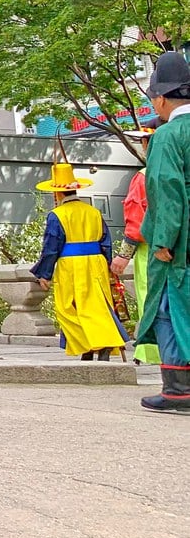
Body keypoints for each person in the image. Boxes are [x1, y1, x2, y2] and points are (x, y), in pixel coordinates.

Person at [135, 52, 190, 411]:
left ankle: (178, 389)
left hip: (182, 242)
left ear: (161, 97)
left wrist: (162, 241)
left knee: (172, 311)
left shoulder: (168, 135)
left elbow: (165, 188)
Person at [31, 154, 124, 361]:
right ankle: (100, 343)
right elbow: (105, 242)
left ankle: (91, 342)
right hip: (96, 262)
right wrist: (107, 264)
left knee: (68, 308)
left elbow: (51, 247)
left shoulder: (57, 215)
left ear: (57, 193)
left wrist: (44, 273)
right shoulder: (93, 212)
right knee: (97, 305)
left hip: (71, 265)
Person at [113, 128, 159, 364]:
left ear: (145, 144)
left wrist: (123, 255)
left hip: (152, 249)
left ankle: (152, 351)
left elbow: (136, 221)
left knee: (150, 298)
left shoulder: (143, 177)